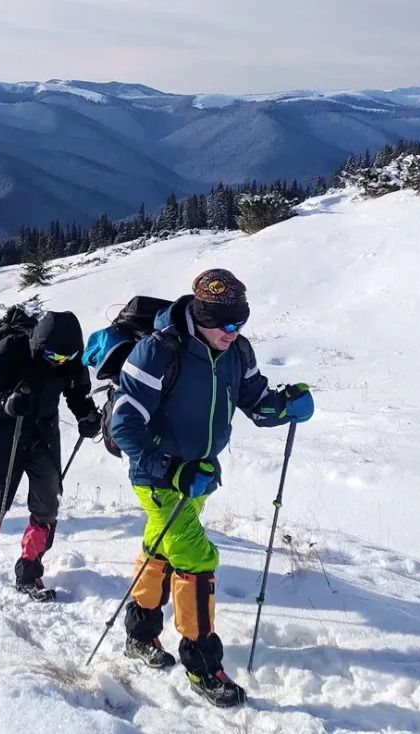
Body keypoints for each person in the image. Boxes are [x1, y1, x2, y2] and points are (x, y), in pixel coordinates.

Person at [109, 269, 314, 707]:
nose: (233, 331)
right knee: (197, 558)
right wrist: (171, 471)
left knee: (160, 548)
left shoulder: (237, 350)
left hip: (199, 475)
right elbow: (123, 425)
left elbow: (256, 402)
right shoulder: (158, 351)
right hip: (158, 477)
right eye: (225, 323)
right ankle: (203, 666)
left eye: (241, 321)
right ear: (201, 316)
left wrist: (286, 407)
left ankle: (139, 635)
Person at [0, 311, 101, 601]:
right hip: (4, 436)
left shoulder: (68, 357)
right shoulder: (12, 348)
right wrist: (6, 403)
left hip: (42, 436)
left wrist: (86, 415)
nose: (58, 361)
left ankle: (28, 571)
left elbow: (76, 392)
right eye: (53, 355)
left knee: (47, 505)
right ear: (39, 344)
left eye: (66, 357)